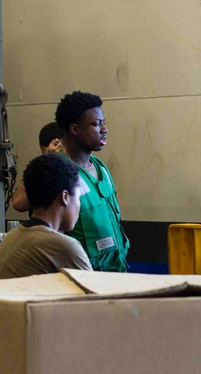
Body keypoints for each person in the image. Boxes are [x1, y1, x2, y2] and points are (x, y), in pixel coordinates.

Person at [0, 153, 93, 279]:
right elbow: (97, 297)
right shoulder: (64, 246)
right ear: (65, 197)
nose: (79, 205)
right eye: (79, 198)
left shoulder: (12, 237)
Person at [55, 90, 129, 272]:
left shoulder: (100, 167)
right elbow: (19, 202)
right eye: (96, 124)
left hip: (116, 272)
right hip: (85, 276)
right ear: (74, 129)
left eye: (104, 123)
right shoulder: (61, 171)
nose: (104, 130)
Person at [10, 122, 67, 213]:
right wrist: (47, 160)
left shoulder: (78, 167)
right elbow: (18, 204)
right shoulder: (41, 169)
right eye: (44, 154)